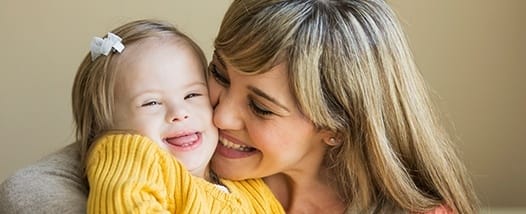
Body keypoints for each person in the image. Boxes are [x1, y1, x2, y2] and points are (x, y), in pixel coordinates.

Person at [0, 1, 479, 213]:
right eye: (221, 76)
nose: (220, 115)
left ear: (337, 125)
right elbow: (32, 188)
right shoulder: (181, 150)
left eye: (262, 108)